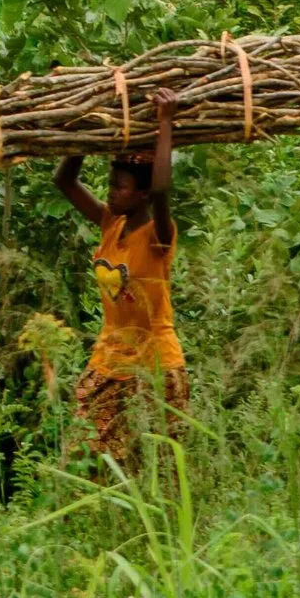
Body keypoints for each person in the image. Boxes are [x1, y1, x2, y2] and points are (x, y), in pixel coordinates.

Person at [54, 89, 187, 469]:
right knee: (84, 457)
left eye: (120, 186)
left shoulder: (159, 235)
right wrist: (85, 128)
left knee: (155, 466)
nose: (110, 193)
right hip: (110, 359)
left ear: (142, 194)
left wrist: (165, 123)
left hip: (155, 363)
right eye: (111, 184)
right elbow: (64, 181)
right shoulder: (111, 224)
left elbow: (163, 190)